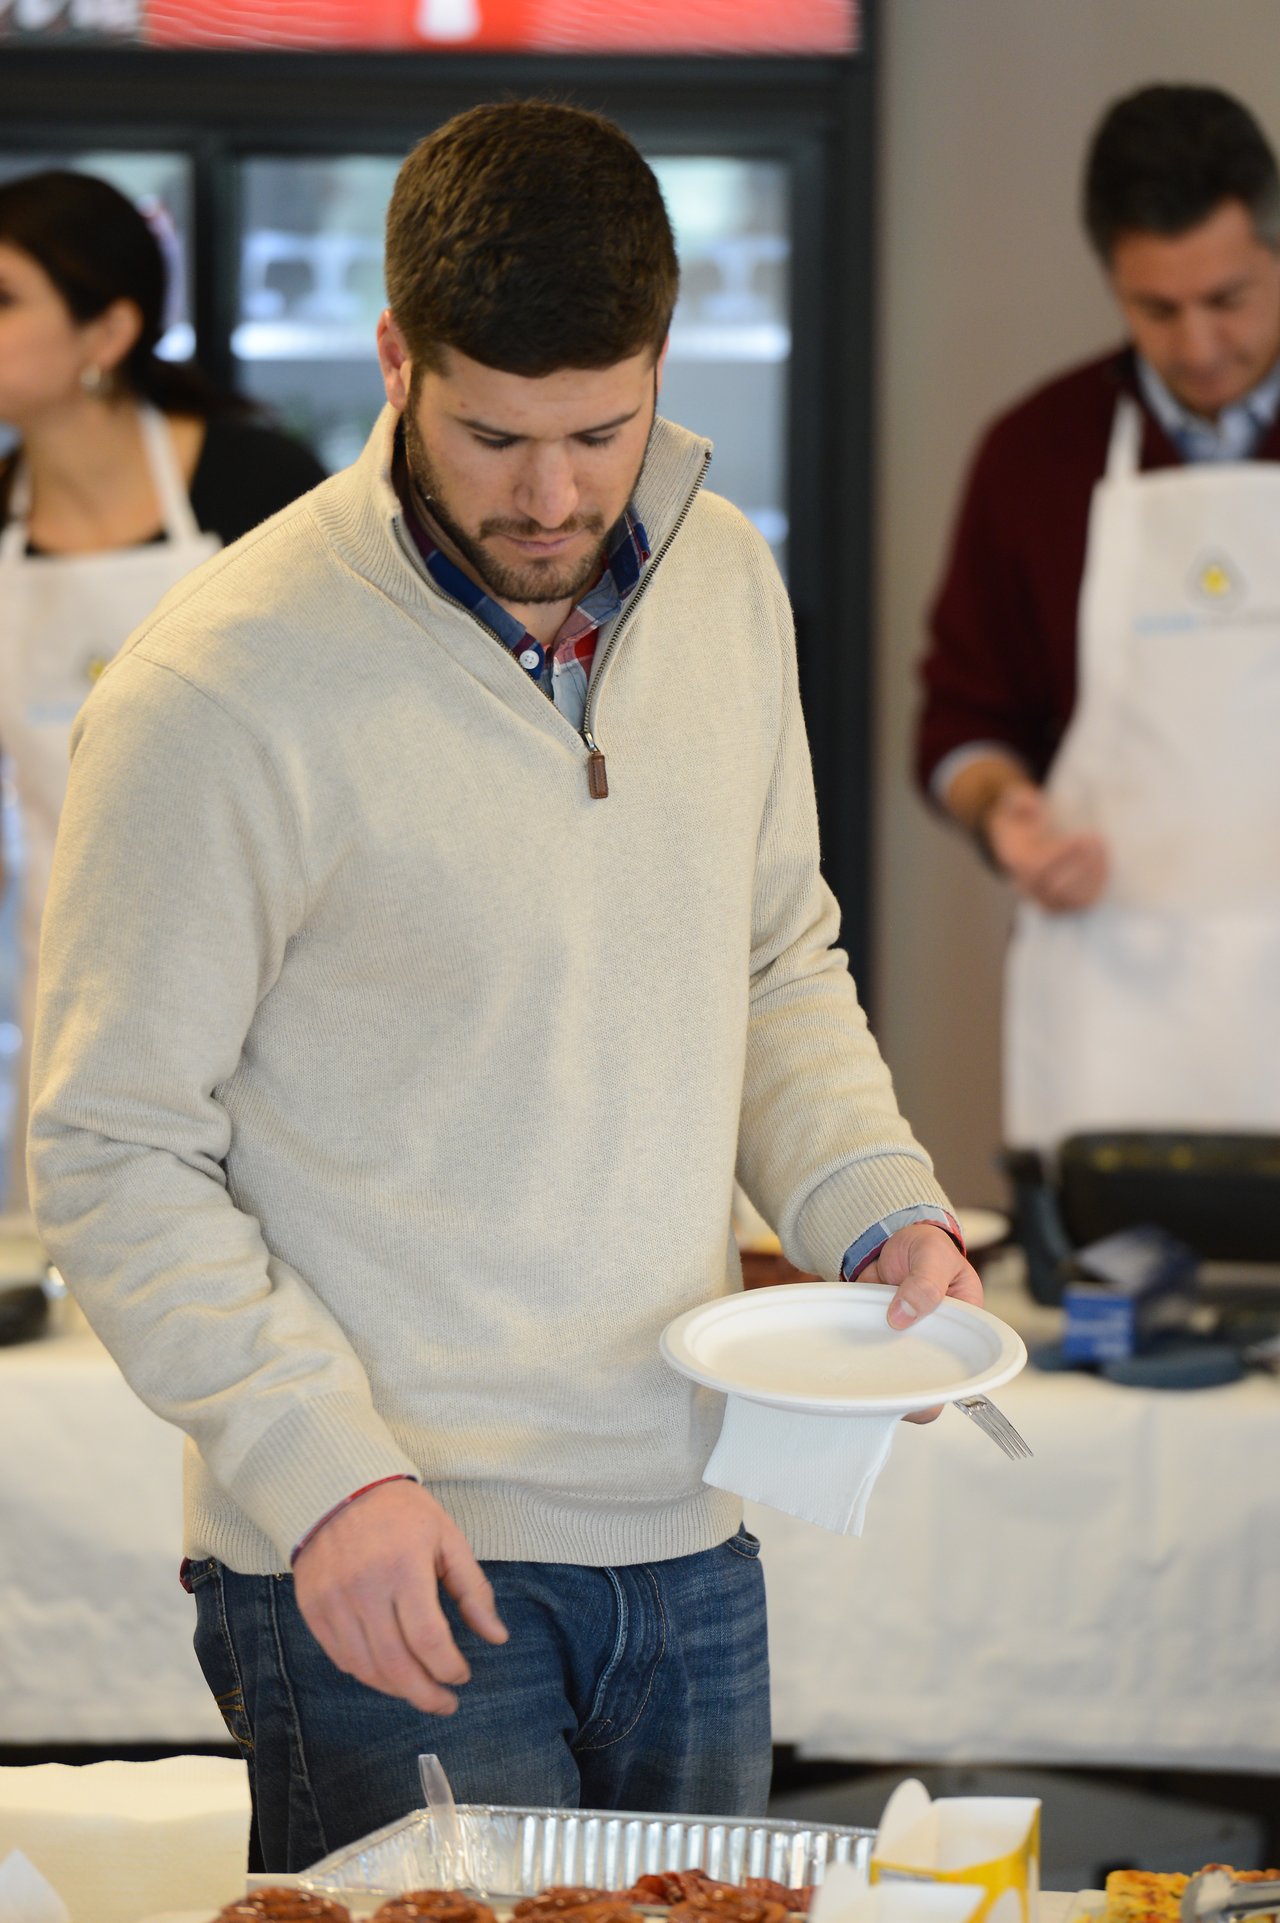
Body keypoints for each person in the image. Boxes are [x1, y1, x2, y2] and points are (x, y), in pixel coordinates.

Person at [29, 102, 980, 1872]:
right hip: (380, 1554)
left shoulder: (728, 588)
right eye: (490, 434)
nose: (550, 496)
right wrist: (325, 1469)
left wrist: (875, 1208)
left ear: (662, 361)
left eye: (599, 431)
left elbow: (774, 958)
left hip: (689, 1531)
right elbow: (108, 1148)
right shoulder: (214, 690)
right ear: (395, 357)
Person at [916, 84, 1280, 1156]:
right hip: (1117, 1018)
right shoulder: (1034, 454)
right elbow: (957, 724)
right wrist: (1001, 811)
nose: (1200, 344)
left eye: (1231, 298)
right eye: (1156, 311)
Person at [0, 167, 326, 1200]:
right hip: (66, 974)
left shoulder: (257, 488)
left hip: (277, 977)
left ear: (108, 331)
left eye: (5, 299)